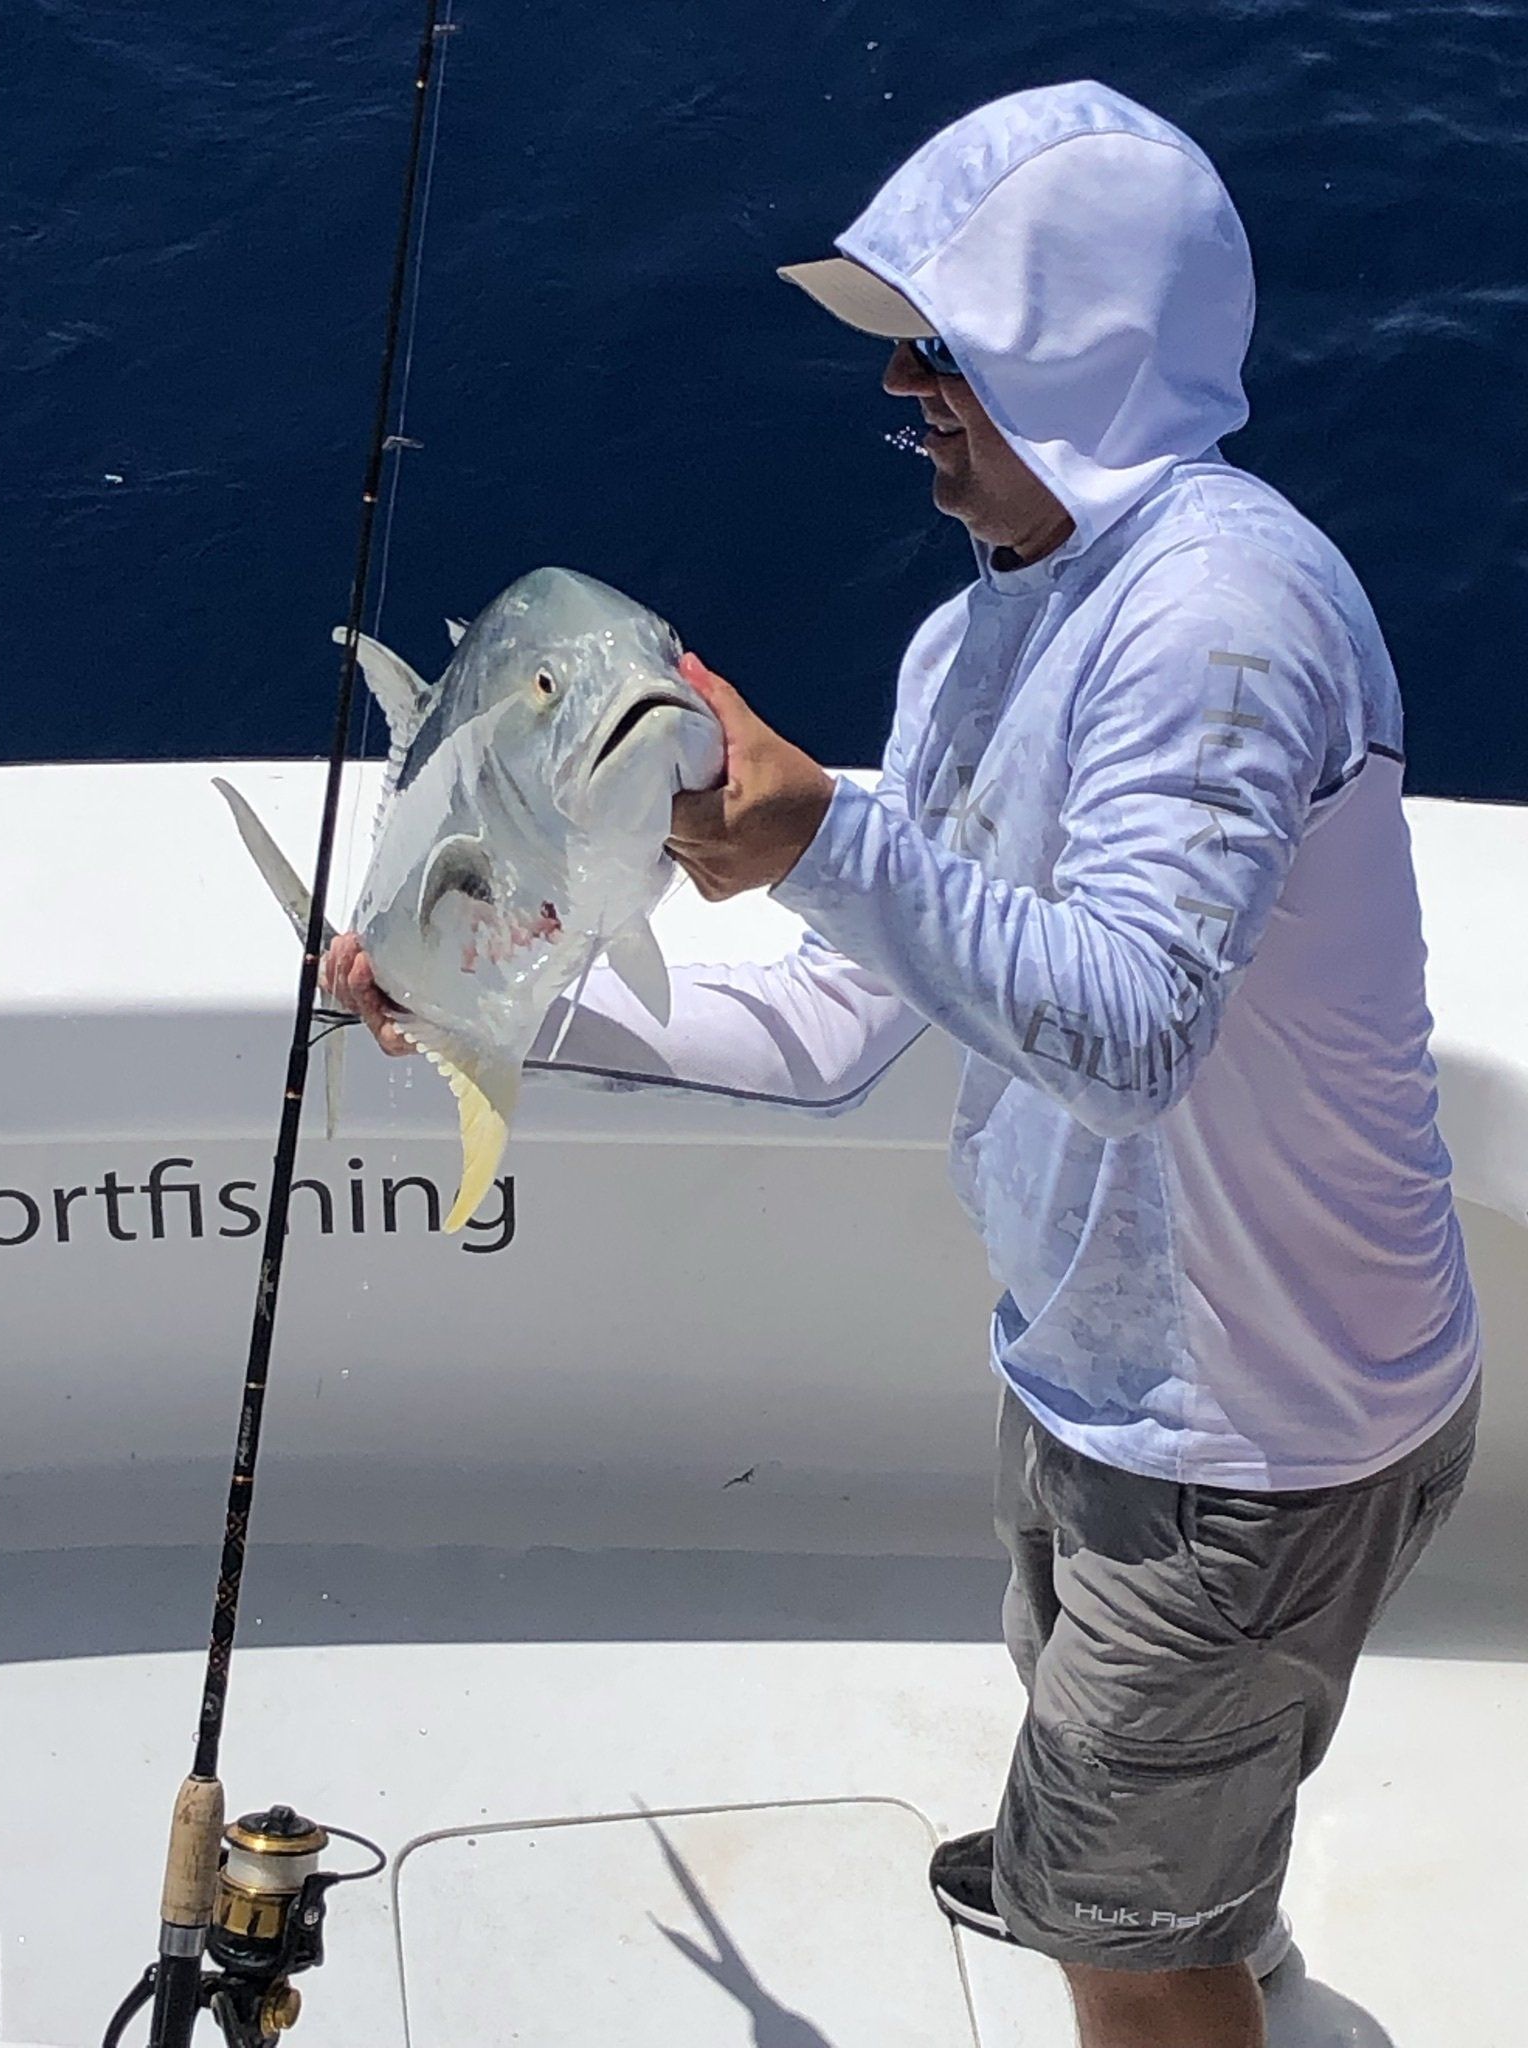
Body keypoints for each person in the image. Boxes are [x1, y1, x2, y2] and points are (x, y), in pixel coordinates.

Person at [325, 80, 1481, 2048]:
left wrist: (817, 837)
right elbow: (833, 1014)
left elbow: (1128, 1030)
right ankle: (1158, 1889)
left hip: (1259, 1434)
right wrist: (496, 998)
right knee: (1108, 1760)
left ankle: (1152, 1936)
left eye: (946, 350)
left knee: (1129, 1937)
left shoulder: (1222, 616)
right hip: (1103, 1369)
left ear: (1085, 352)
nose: (909, 397)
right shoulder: (977, 646)